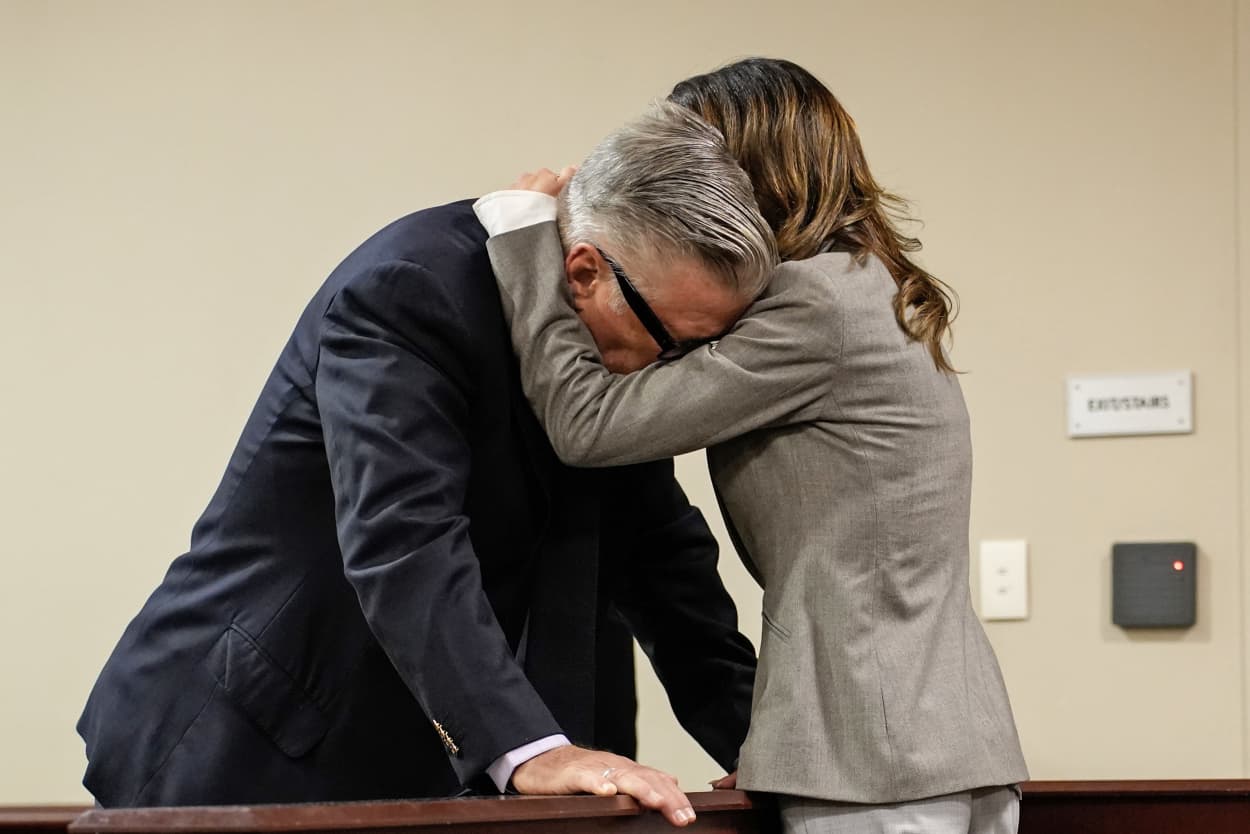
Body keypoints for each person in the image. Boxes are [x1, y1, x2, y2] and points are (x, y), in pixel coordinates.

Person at [77, 104, 777, 828]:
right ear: (584, 270)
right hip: (252, 738)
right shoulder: (415, 286)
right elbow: (403, 535)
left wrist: (771, 754)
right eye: (672, 341)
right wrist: (529, 750)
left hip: (412, 758)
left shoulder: (620, 359)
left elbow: (665, 567)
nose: (677, 373)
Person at [477, 58, 1029, 833]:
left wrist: (524, 237)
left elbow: (592, 426)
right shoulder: (871, 283)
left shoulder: (815, 299)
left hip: (869, 762)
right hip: (922, 743)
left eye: (693, 159)